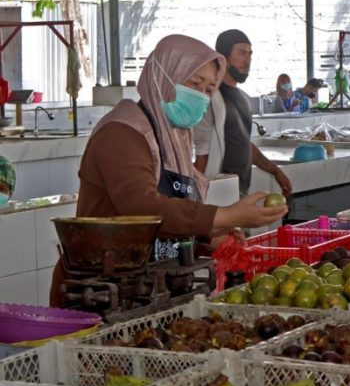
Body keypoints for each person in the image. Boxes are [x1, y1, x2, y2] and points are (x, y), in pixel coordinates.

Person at [49, 35, 287, 306]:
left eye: (209, 89)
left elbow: (172, 215)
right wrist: (222, 216)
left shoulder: (175, 137)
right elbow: (141, 208)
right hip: (98, 293)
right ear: (165, 75)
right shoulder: (122, 132)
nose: (201, 96)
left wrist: (207, 238)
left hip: (146, 289)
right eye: (194, 83)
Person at [193, 29, 292, 197]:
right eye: (241, 53)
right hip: (216, 192)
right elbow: (203, 153)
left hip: (240, 191)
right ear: (223, 57)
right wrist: (194, 198)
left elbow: (244, 144)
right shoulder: (211, 97)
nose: (248, 60)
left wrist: (275, 171)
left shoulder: (244, 99)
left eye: (250, 54)